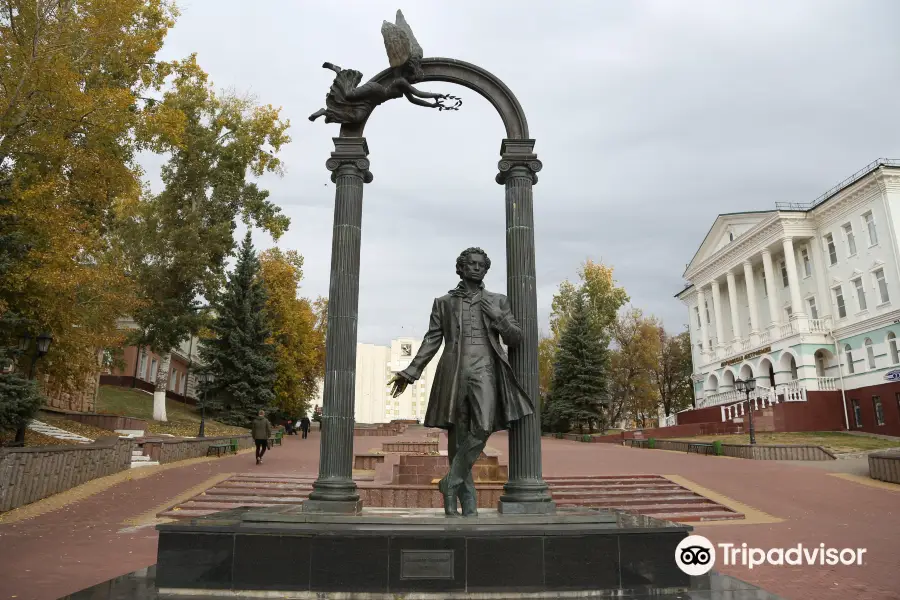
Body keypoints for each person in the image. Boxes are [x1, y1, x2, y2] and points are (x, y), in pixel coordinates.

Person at [387, 247, 533, 517]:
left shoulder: (498, 300)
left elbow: (515, 338)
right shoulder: (444, 302)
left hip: (486, 370)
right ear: (461, 268)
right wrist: (411, 371)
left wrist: (498, 317)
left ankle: (449, 482)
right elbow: (432, 339)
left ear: (485, 269)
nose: (477, 268)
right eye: (472, 264)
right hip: (453, 371)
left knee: (484, 426)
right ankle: (465, 507)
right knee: (457, 439)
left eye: (481, 265)